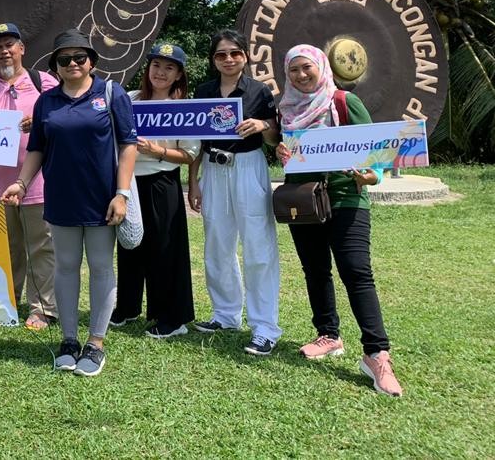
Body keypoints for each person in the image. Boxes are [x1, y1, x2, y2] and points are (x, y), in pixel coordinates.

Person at [2, 29, 136, 377]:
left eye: (80, 57)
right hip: (60, 198)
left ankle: (96, 343)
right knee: (64, 267)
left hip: (101, 200)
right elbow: (37, 149)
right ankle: (69, 340)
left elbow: (128, 145)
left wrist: (121, 194)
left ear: (92, 61)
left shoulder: (110, 93)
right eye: (65, 59)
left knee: (102, 267)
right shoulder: (47, 101)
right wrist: (20, 182)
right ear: (56, 66)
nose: (73, 63)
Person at [276, 45, 403, 397]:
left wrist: (370, 176)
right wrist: (279, 150)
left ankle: (376, 354)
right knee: (315, 270)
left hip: (347, 199)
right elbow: (281, 149)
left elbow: (375, 154)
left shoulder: (344, 101)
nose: (301, 75)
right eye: (293, 71)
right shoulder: (286, 109)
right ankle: (328, 335)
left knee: (357, 273)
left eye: (307, 68)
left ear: (320, 67)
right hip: (304, 200)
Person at [188, 29, 281, 356]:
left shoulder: (260, 91)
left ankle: (265, 327)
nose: (228, 59)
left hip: (248, 167)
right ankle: (226, 315)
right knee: (217, 244)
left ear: (245, 55)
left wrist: (262, 125)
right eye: (221, 54)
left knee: (258, 246)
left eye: (234, 53)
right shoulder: (204, 91)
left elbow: (274, 138)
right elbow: (197, 141)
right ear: (213, 59)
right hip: (213, 169)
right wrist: (193, 180)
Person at [0, 22, 59, 330]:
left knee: (42, 249)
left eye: (9, 45)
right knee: (4, 249)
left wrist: (42, 121)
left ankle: (42, 309)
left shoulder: (43, 82)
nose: (4, 51)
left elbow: (65, 117)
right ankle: (4, 302)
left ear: (22, 49)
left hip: (39, 184)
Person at [112, 43, 199, 338]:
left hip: (163, 183)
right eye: (156, 66)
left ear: (178, 75)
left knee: (165, 250)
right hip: (129, 182)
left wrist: (156, 149)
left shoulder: (184, 107)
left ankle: (171, 318)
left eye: (169, 68)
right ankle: (127, 307)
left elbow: (189, 155)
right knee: (129, 244)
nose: (160, 72)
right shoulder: (129, 99)